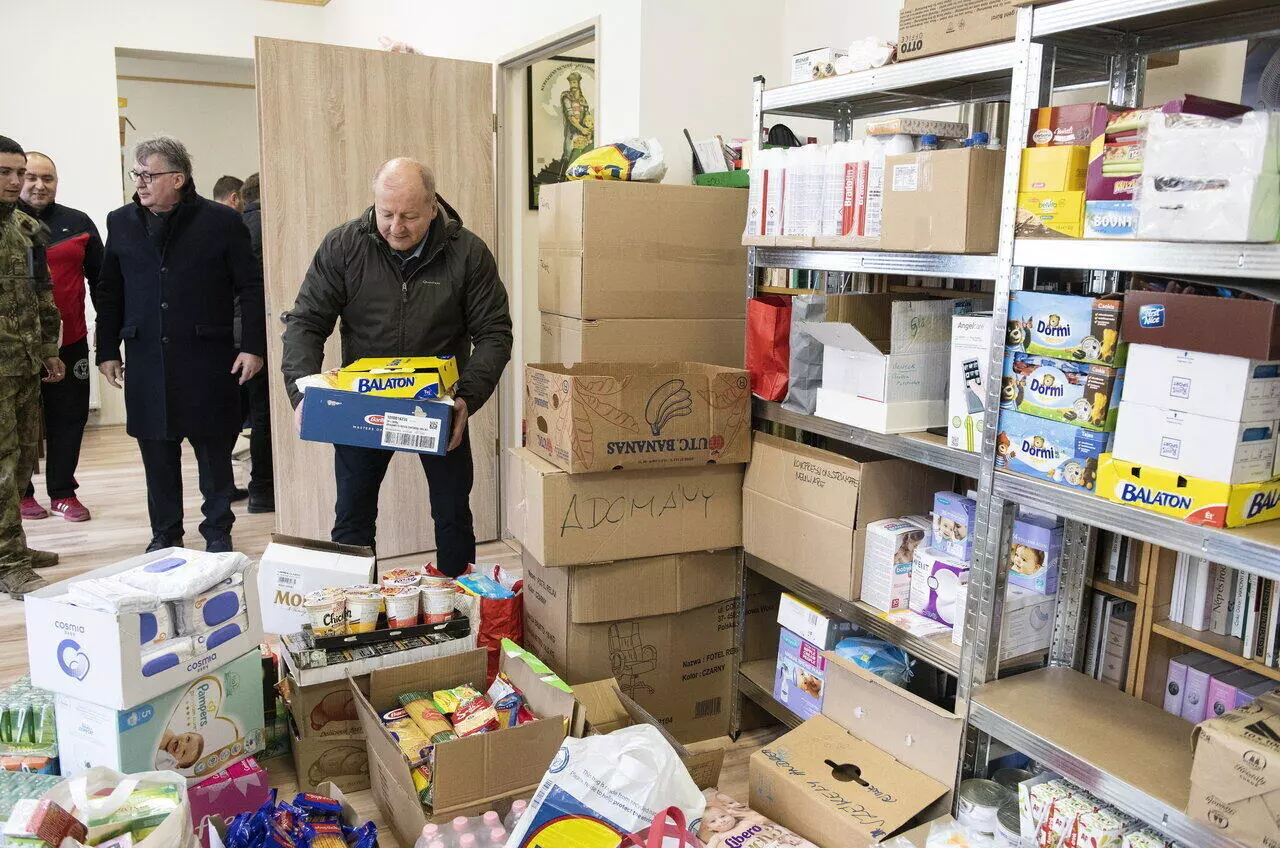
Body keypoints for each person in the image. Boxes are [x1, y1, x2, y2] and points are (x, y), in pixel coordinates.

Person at [282, 158, 511, 576]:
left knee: (452, 512)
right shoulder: (344, 246)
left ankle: (457, 602)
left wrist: (467, 398)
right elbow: (306, 323)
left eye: (409, 216)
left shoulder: (468, 252)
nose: (395, 227)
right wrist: (302, 393)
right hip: (363, 402)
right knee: (352, 515)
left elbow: (495, 333)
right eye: (386, 214)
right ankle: (355, 603)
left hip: (438, 405)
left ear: (433, 206)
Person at [96, 135, 265, 553]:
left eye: (149, 175)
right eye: (136, 174)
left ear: (178, 178)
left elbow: (251, 286)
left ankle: (218, 531)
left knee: (213, 451)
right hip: (146, 357)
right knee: (156, 453)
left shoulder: (222, 222)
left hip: (207, 357)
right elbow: (110, 289)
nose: (140, 182)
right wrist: (106, 350)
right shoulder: (120, 221)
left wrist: (253, 347)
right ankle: (166, 533)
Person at [18, 151, 102, 523]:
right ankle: (21, 494)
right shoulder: (7, 225)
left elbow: (103, 282)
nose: (40, 185)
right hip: (17, 345)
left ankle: (63, 492)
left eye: (48, 178)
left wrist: (108, 333)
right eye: (31, 177)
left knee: (69, 417)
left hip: (70, 341)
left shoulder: (77, 223)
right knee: (17, 420)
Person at [0, 135, 64, 599]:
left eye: (18, 172)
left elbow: (43, 292)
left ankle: (13, 545)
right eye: (4, 172)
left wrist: (48, 347)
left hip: (23, 365)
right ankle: (8, 562)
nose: (15, 181)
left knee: (23, 459)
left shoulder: (26, 228)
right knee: (2, 465)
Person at [235, 173, 272, 512]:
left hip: (227, 334)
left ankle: (222, 487)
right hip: (257, 333)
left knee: (228, 415)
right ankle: (262, 489)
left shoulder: (232, 226)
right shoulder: (272, 225)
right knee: (262, 415)